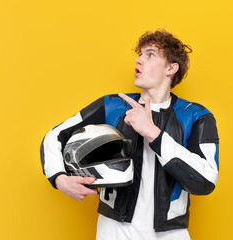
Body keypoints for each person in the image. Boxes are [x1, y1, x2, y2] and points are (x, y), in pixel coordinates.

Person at [40, 29, 219, 240]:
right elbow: (54, 136)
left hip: (171, 234)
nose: (139, 60)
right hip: (113, 230)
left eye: (150, 54)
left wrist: (153, 133)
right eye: (140, 54)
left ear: (171, 68)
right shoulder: (112, 106)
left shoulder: (197, 115)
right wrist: (58, 178)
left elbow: (206, 181)